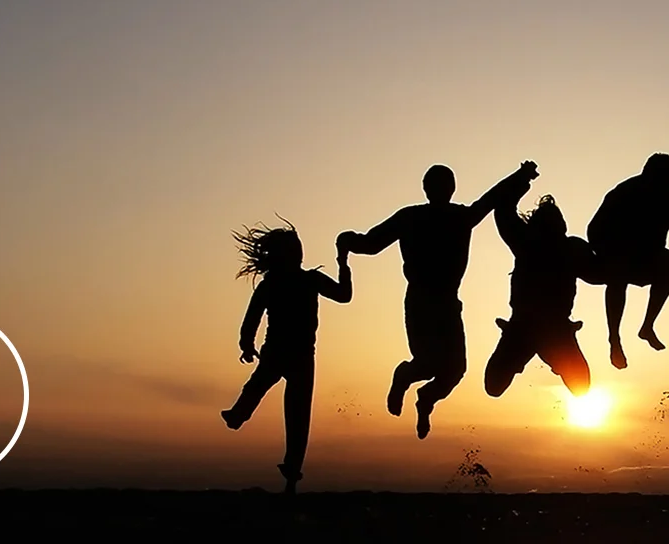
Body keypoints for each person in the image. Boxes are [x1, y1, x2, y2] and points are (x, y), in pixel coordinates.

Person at [338, 161, 538, 439]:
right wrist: (350, 243)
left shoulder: (436, 217)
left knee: (455, 370)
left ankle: (425, 399)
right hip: (424, 302)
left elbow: (370, 244)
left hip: (444, 304)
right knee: (432, 365)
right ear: (443, 189)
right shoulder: (442, 217)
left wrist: (349, 242)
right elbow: (371, 243)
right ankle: (405, 376)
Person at [220, 221, 353, 494]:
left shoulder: (279, 283)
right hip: (297, 355)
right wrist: (343, 264)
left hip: (285, 352)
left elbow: (251, 318)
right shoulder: (306, 281)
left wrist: (246, 344)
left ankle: (239, 415)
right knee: (297, 417)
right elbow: (344, 295)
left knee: (270, 395)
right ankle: (289, 474)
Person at [583, 153, 669, 370]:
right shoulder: (627, 191)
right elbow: (594, 228)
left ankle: (647, 325)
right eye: (667, 179)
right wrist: (609, 251)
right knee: (618, 276)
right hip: (613, 253)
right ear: (653, 174)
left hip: (645, 256)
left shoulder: (666, 191)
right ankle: (614, 338)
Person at [484, 179, 594, 398]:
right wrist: (521, 181)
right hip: (524, 327)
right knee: (493, 387)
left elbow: (503, 209)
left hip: (553, 329)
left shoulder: (565, 248)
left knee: (582, 388)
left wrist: (522, 181)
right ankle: (532, 357)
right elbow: (503, 210)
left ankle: (549, 357)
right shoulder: (529, 243)